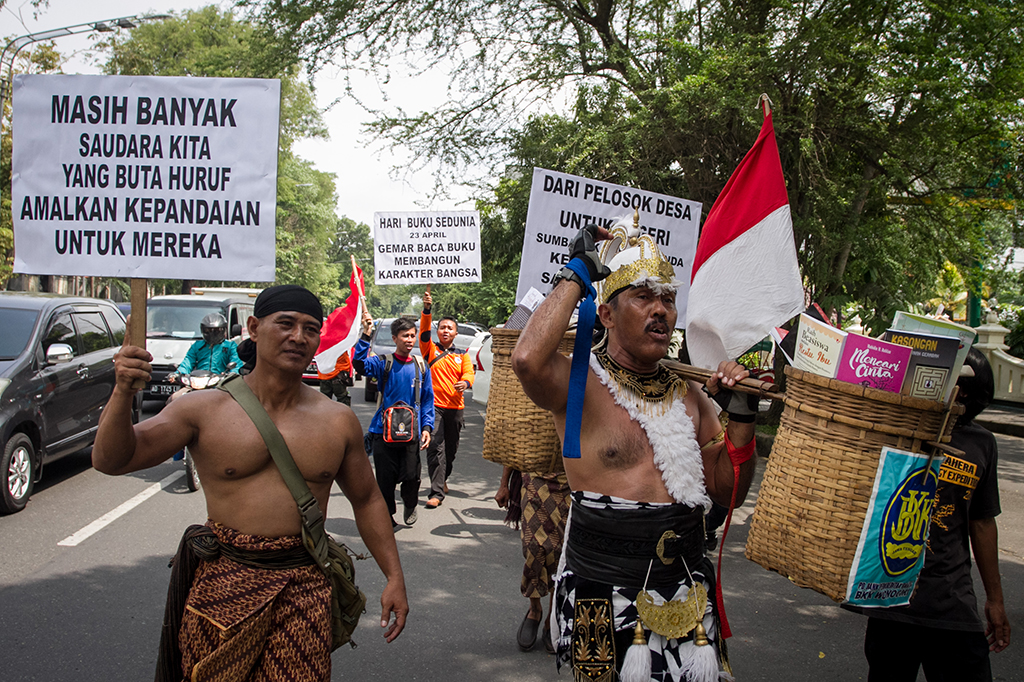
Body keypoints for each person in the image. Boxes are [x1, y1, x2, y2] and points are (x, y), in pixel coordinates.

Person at [93, 285, 409, 682]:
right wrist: (122, 390)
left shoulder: (336, 420)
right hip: (223, 583)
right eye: (286, 324)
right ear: (254, 328)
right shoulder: (202, 409)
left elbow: (367, 500)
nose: (298, 337)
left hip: (304, 584)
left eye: (311, 329)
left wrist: (394, 577)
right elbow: (111, 460)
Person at [512, 223, 757, 681]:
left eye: (667, 299)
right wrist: (579, 270)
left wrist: (742, 417)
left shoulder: (690, 394)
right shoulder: (580, 383)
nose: (660, 310)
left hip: (687, 588)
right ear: (605, 315)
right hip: (599, 590)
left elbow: (730, 491)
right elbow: (526, 360)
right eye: (643, 296)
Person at [844, 348, 1011, 681]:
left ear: (963, 389)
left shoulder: (981, 444)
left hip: (950, 602)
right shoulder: (900, 429)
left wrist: (995, 599)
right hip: (889, 601)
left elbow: (981, 523)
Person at [352, 314, 435, 528]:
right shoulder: (383, 363)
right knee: (385, 481)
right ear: (394, 338)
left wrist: (426, 427)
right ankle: (387, 516)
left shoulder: (421, 366)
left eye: (412, 336)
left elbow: (427, 400)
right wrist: (366, 333)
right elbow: (359, 364)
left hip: (411, 433)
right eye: (404, 336)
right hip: (383, 432)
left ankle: (410, 503)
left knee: (411, 477)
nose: (409, 340)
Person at [495, 465, 571, 654]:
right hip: (534, 478)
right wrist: (504, 484)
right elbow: (516, 443)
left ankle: (552, 618)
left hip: (571, 480)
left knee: (560, 552)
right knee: (533, 548)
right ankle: (535, 609)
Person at [419, 289, 475, 508]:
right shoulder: (429, 350)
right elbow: (423, 331)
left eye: (449, 328)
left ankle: (443, 479)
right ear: (438, 331)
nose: (445, 330)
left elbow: (469, 373)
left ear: (455, 333)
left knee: (450, 451)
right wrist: (427, 310)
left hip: (456, 408)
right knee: (435, 447)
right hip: (433, 408)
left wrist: (466, 383)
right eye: (442, 327)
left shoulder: (463, 354)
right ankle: (436, 493)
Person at [173, 312, 242, 376]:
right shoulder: (197, 346)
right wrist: (178, 374)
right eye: (208, 330)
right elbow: (187, 363)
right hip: (199, 381)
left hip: (222, 383)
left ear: (223, 330)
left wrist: (232, 374)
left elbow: (236, 364)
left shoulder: (230, 346)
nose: (212, 334)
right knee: (183, 390)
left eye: (216, 331)